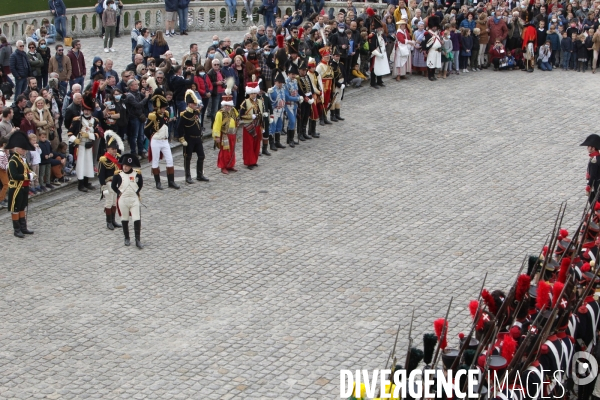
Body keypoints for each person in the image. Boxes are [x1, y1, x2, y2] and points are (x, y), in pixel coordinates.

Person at [145, 89, 180, 190]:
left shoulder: (165, 115)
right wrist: (152, 137)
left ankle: (171, 181)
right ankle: (158, 183)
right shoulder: (153, 116)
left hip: (165, 141)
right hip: (156, 140)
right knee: (155, 161)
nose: (164, 109)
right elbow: (146, 130)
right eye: (163, 107)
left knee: (170, 160)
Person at [5, 130, 35, 238]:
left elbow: (28, 169)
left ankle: (23, 227)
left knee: (22, 207)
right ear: (18, 149)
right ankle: (16, 229)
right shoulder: (13, 161)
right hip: (16, 187)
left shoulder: (23, 160)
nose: (25, 151)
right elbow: (14, 176)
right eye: (23, 149)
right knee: (16, 208)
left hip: (24, 187)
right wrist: (28, 176)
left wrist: (32, 173)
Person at [177, 89, 209, 184]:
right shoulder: (184, 115)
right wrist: (181, 139)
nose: (196, 106)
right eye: (194, 104)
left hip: (197, 138)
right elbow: (179, 128)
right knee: (188, 157)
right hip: (189, 138)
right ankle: (188, 176)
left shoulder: (196, 112)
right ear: (189, 104)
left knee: (201, 156)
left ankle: (199, 175)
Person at [111, 153, 143, 248]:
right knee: (124, 219)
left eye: (127, 166)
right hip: (123, 200)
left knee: (136, 218)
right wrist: (118, 192)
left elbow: (140, 184)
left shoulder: (137, 173)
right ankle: (127, 237)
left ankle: (138, 239)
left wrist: (137, 192)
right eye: (124, 165)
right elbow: (113, 186)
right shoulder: (118, 174)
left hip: (134, 199)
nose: (125, 167)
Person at [69, 91, 98, 192]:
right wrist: (75, 140)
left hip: (89, 144)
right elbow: (69, 133)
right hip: (80, 145)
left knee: (88, 163)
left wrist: (89, 135)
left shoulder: (95, 121)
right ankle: (80, 184)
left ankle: (87, 182)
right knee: (81, 164)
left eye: (88, 110)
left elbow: (99, 134)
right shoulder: (77, 120)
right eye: (85, 110)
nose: (86, 112)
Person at [98, 131, 123, 230]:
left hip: (116, 183)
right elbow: (101, 175)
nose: (114, 151)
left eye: (115, 149)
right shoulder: (104, 160)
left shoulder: (118, 158)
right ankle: (108, 222)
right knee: (108, 202)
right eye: (112, 149)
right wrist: (103, 187)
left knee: (114, 202)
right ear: (107, 149)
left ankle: (113, 220)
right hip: (108, 183)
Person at [212, 94, 239, 174]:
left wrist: (237, 121)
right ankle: (223, 166)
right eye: (226, 105)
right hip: (225, 135)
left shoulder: (233, 110)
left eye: (229, 105)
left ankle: (230, 165)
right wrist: (217, 136)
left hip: (233, 134)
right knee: (225, 151)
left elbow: (237, 117)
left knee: (232, 150)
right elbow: (216, 125)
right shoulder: (220, 113)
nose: (227, 107)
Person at [368, 12, 390, 88]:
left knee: (380, 67)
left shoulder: (380, 34)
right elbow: (371, 46)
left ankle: (379, 81)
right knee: (374, 69)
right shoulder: (372, 35)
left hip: (381, 53)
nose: (381, 29)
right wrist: (377, 53)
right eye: (380, 28)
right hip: (375, 54)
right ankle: (373, 83)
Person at [422, 15, 442, 81]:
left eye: (435, 26)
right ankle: (430, 76)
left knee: (435, 64)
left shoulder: (437, 33)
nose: (435, 28)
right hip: (431, 51)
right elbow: (424, 43)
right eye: (434, 26)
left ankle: (433, 75)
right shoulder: (427, 34)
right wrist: (425, 51)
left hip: (437, 51)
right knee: (431, 64)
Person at [581, 134, 600, 204]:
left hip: (596, 185)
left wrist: (589, 186)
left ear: (593, 148)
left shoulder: (594, 161)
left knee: (594, 202)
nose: (587, 148)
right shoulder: (597, 158)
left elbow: (593, 175)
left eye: (589, 146)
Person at [328, 48, 345, 123]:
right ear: (333, 56)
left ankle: (338, 114)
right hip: (335, 84)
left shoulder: (341, 64)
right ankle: (332, 115)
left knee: (339, 98)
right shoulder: (331, 65)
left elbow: (344, 74)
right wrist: (338, 84)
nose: (338, 57)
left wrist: (344, 82)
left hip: (342, 82)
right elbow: (332, 77)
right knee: (334, 99)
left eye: (338, 56)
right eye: (336, 56)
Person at [0, 136, 8, 209]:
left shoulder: (3, 152)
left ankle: (3, 197)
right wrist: (5, 167)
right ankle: (1, 199)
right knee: (6, 184)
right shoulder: (1, 153)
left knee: (5, 184)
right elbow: (0, 163)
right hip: (2, 170)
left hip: (4, 170)